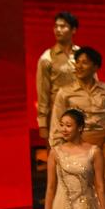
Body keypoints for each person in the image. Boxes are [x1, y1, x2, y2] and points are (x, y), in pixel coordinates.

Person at [50, 47, 105, 203]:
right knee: (79, 193)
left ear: (95, 67)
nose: (79, 66)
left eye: (84, 62)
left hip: (101, 149)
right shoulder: (65, 93)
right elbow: (57, 126)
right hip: (75, 150)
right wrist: (58, 153)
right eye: (77, 62)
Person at [36, 11, 79, 142]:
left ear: (73, 30)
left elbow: (93, 84)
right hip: (58, 117)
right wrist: (43, 124)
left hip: (81, 114)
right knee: (58, 152)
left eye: (63, 26)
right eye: (55, 26)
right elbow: (42, 93)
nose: (58, 30)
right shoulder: (47, 58)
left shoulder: (82, 56)